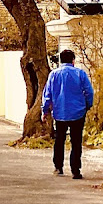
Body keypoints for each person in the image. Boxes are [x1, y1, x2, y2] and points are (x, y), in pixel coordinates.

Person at [41, 50, 94, 179]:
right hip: (78, 112)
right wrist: (88, 105)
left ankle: (58, 167)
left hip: (60, 112)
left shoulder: (53, 75)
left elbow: (47, 95)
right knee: (76, 141)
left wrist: (45, 110)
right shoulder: (80, 73)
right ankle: (75, 170)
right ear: (73, 60)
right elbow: (89, 91)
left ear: (60, 60)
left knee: (59, 140)